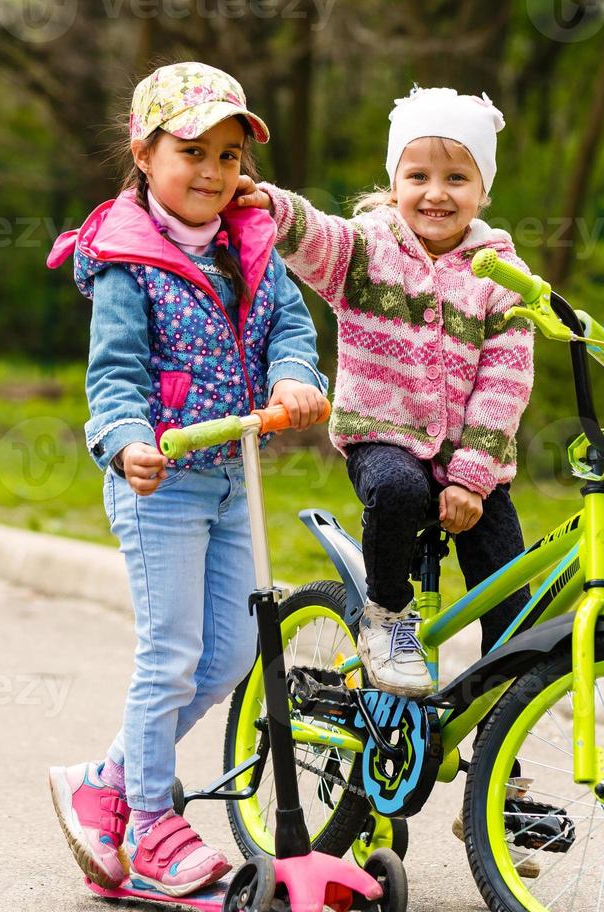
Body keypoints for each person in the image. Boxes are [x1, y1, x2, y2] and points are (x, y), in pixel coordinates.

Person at [44, 62, 328, 897]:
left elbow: (286, 325)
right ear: (144, 150)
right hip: (159, 483)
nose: (211, 172)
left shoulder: (252, 243)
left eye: (229, 156)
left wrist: (292, 377)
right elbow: (115, 378)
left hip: (236, 478)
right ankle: (155, 820)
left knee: (231, 653)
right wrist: (129, 441)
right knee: (169, 656)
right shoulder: (128, 260)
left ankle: (103, 783)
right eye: (191, 150)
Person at [237, 86, 535, 698]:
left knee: (511, 595)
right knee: (396, 490)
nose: (436, 192)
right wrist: (271, 205)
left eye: (457, 176)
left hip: (470, 464)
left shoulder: (500, 275)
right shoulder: (367, 249)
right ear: (395, 181)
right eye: (418, 174)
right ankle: (387, 614)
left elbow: (506, 381)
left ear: (484, 192)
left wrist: (472, 476)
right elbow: (315, 237)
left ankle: (503, 736)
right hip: (384, 438)